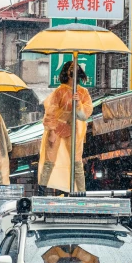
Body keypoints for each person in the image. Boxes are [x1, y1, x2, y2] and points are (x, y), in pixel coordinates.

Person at [38, 61, 94, 194]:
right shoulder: (59, 91)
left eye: (76, 68)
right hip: (57, 127)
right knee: (49, 160)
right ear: (67, 72)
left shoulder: (83, 92)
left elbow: (84, 115)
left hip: (73, 128)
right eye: (71, 68)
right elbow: (50, 111)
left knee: (77, 161)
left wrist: (78, 103)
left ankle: (81, 191)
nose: (74, 71)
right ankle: (42, 189)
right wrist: (51, 130)